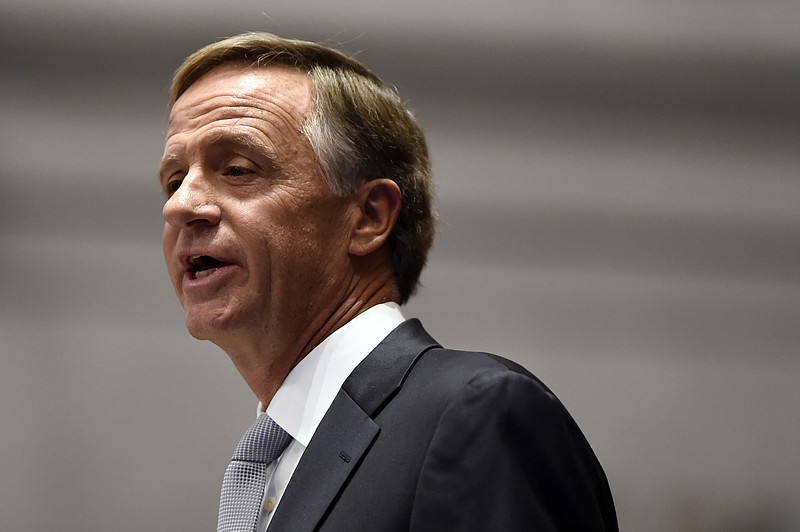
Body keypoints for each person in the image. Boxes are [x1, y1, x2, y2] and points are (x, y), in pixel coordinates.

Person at [159, 32, 618, 532]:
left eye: (238, 169)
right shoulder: (278, 463)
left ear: (369, 217)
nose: (180, 205)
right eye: (175, 179)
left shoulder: (476, 415)